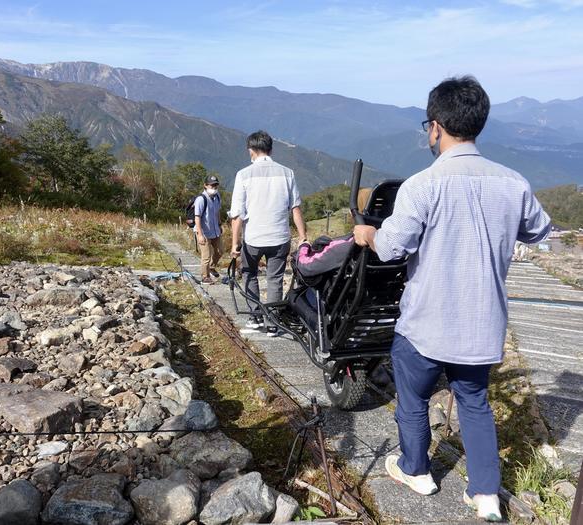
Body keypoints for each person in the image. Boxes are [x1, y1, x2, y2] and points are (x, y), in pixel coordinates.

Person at [353, 76, 550, 522]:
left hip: (426, 323)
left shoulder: (423, 185)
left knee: (413, 399)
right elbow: (539, 230)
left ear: (436, 127)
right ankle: (484, 495)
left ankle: (416, 470)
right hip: (482, 325)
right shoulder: (513, 183)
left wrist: (367, 233)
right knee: (475, 402)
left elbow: (391, 247)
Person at [229, 130, 307, 337]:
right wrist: (302, 237)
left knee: (249, 274)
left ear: (250, 151)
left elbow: (237, 215)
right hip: (280, 237)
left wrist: (234, 244)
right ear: (270, 149)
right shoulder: (287, 173)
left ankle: (255, 318)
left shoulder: (244, 175)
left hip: (253, 237)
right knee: (275, 279)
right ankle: (273, 322)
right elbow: (296, 208)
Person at [194, 174, 223, 284]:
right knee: (206, 256)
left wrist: (219, 225)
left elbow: (217, 211)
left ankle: (212, 267)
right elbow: (197, 218)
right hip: (204, 231)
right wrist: (200, 235)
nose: (214, 188)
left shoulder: (217, 197)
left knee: (220, 251)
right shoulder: (201, 199)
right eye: (211, 185)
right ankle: (205, 276)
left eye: (215, 185)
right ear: (205, 185)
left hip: (215, 229)